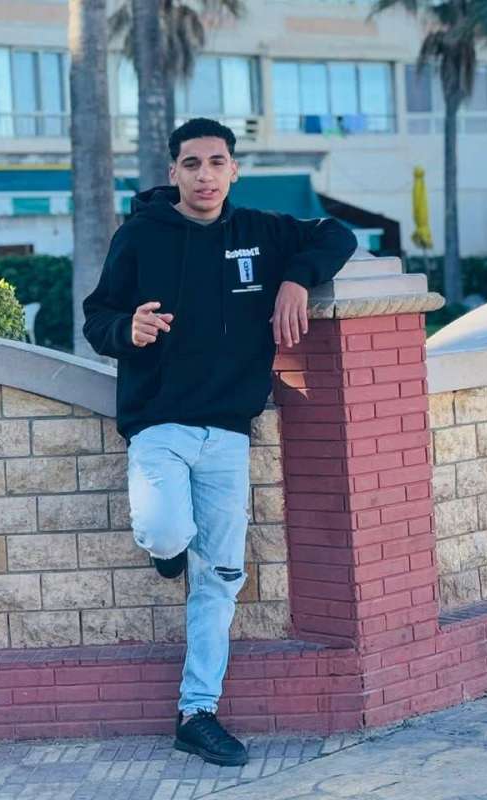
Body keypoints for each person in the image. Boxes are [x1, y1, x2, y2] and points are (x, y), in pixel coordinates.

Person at [83, 117, 356, 766]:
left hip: (229, 433)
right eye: (192, 164)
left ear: (233, 170)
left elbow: (337, 234)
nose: (205, 175)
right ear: (173, 172)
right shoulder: (141, 236)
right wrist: (128, 329)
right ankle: (169, 552)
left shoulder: (261, 231)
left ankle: (196, 712)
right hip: (159, 424)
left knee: (220, 579)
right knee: (164, 532)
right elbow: (97, 317)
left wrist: (296, 279)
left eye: (216, 162)